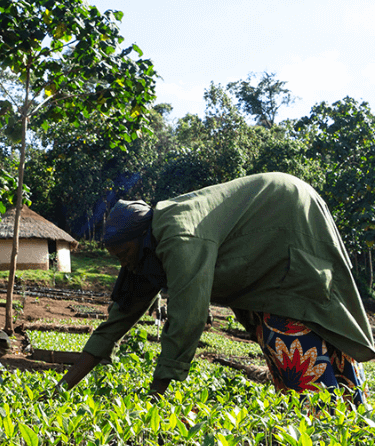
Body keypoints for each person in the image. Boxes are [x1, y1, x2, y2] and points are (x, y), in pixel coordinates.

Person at [57, 172, 375, 406]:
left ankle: (332, 435)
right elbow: (115, 324)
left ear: (138, 241)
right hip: (273, 235)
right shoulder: (144, 255)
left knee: (292, 329)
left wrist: (155, 397)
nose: (125, 265)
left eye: (124, 255)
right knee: (288, 330)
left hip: (286, 219)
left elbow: (188, 317)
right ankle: (345, 424)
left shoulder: (178, 237)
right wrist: (61, 389)